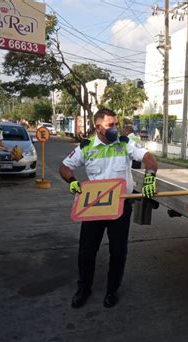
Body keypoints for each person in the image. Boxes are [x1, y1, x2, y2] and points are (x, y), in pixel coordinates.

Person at [59, 108, 158, 309]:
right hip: (93, 207)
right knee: (87, 252)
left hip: (120, 207)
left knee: (118, 251)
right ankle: (83, 289)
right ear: (98, 127)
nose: (115, 128)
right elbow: (64, 167)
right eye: (110, 125)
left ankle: (112, 290)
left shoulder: (125, 143)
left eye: (116, 124)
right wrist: (71, 181)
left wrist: (149, 178)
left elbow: (149, 159)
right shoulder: (85, 147)